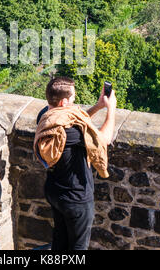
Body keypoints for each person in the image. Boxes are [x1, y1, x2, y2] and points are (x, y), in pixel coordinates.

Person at [34, 76, 117, 251]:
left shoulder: (46, 117)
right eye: (72, 98)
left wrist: (98, 106)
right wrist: (111, 110)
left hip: (55, 190)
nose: (74, 101)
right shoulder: (69, 131)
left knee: (60, 241)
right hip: (76, 197)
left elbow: (76, 119)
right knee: (78, 247)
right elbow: (103, 139)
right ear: (64, 102)